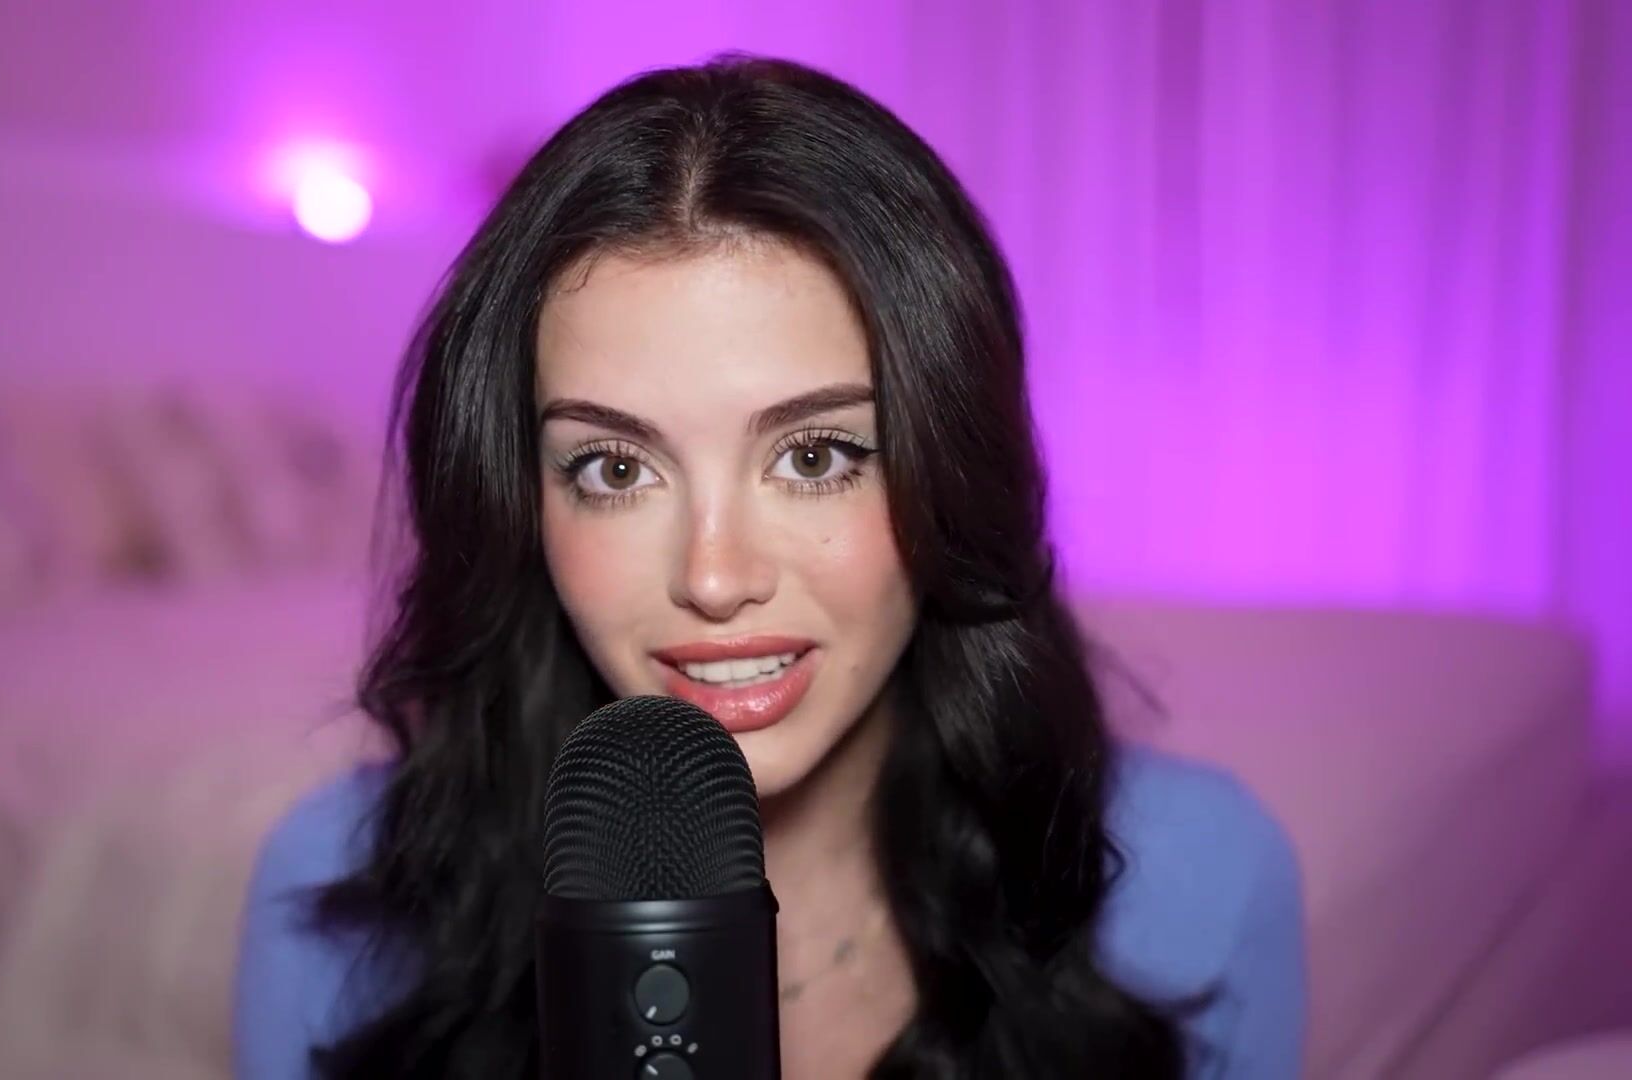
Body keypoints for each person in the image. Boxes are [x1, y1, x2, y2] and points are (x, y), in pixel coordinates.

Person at [233, 54, 1304, 1079]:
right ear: (519, 501)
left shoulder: (1197, 886)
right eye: (615, 468)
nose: (713, 576)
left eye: (814, 457)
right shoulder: (342, 898)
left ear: (953, 468)